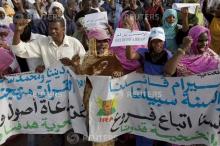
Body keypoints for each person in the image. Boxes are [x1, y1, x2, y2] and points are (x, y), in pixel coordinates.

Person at [126, 27, 172, 146]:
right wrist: (128, 38)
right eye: (154, 41)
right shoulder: (144, 53)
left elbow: (171, 72)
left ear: (164, 42)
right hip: (146, 95)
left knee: (162, 124)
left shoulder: (168, 55)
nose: (157, 44)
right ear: (150, 42)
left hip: (162, 97)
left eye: (160, 41)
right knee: (145, 124)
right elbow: (130, 56)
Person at [11, 17, 85, 68]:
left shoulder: (74, 43)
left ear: (63, 29)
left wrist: (72, 64)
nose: (53, 31)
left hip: (72, 84)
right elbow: (19, 50)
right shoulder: (43, 42)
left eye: (56, 29)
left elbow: (85, 62)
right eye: (50, 28)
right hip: (52, 86)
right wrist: (17, 31)